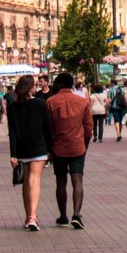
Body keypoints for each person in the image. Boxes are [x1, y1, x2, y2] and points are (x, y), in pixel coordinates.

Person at [45, 72, 92, 229]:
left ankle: (63, 216)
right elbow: (88, 128)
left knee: (61, 182)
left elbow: (48, 128)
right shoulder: (82, 101)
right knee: (77, 180)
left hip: (58, 147)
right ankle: (77, 214)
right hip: (77, 146)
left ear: (59, 84)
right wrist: (84, 144)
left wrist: (50, 148)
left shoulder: (50, 102)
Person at [8, 74, 53, 231]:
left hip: (21, 148)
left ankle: (29, 217)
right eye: (34, 85)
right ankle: (33, 216)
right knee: (34, 180)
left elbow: (12, 132)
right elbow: (47, 129)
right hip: (38, 147)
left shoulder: (13, 106)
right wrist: (50, 149)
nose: (36, 87)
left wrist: (13, 154)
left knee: (27, 181)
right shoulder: (40, 104)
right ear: (30, 88)